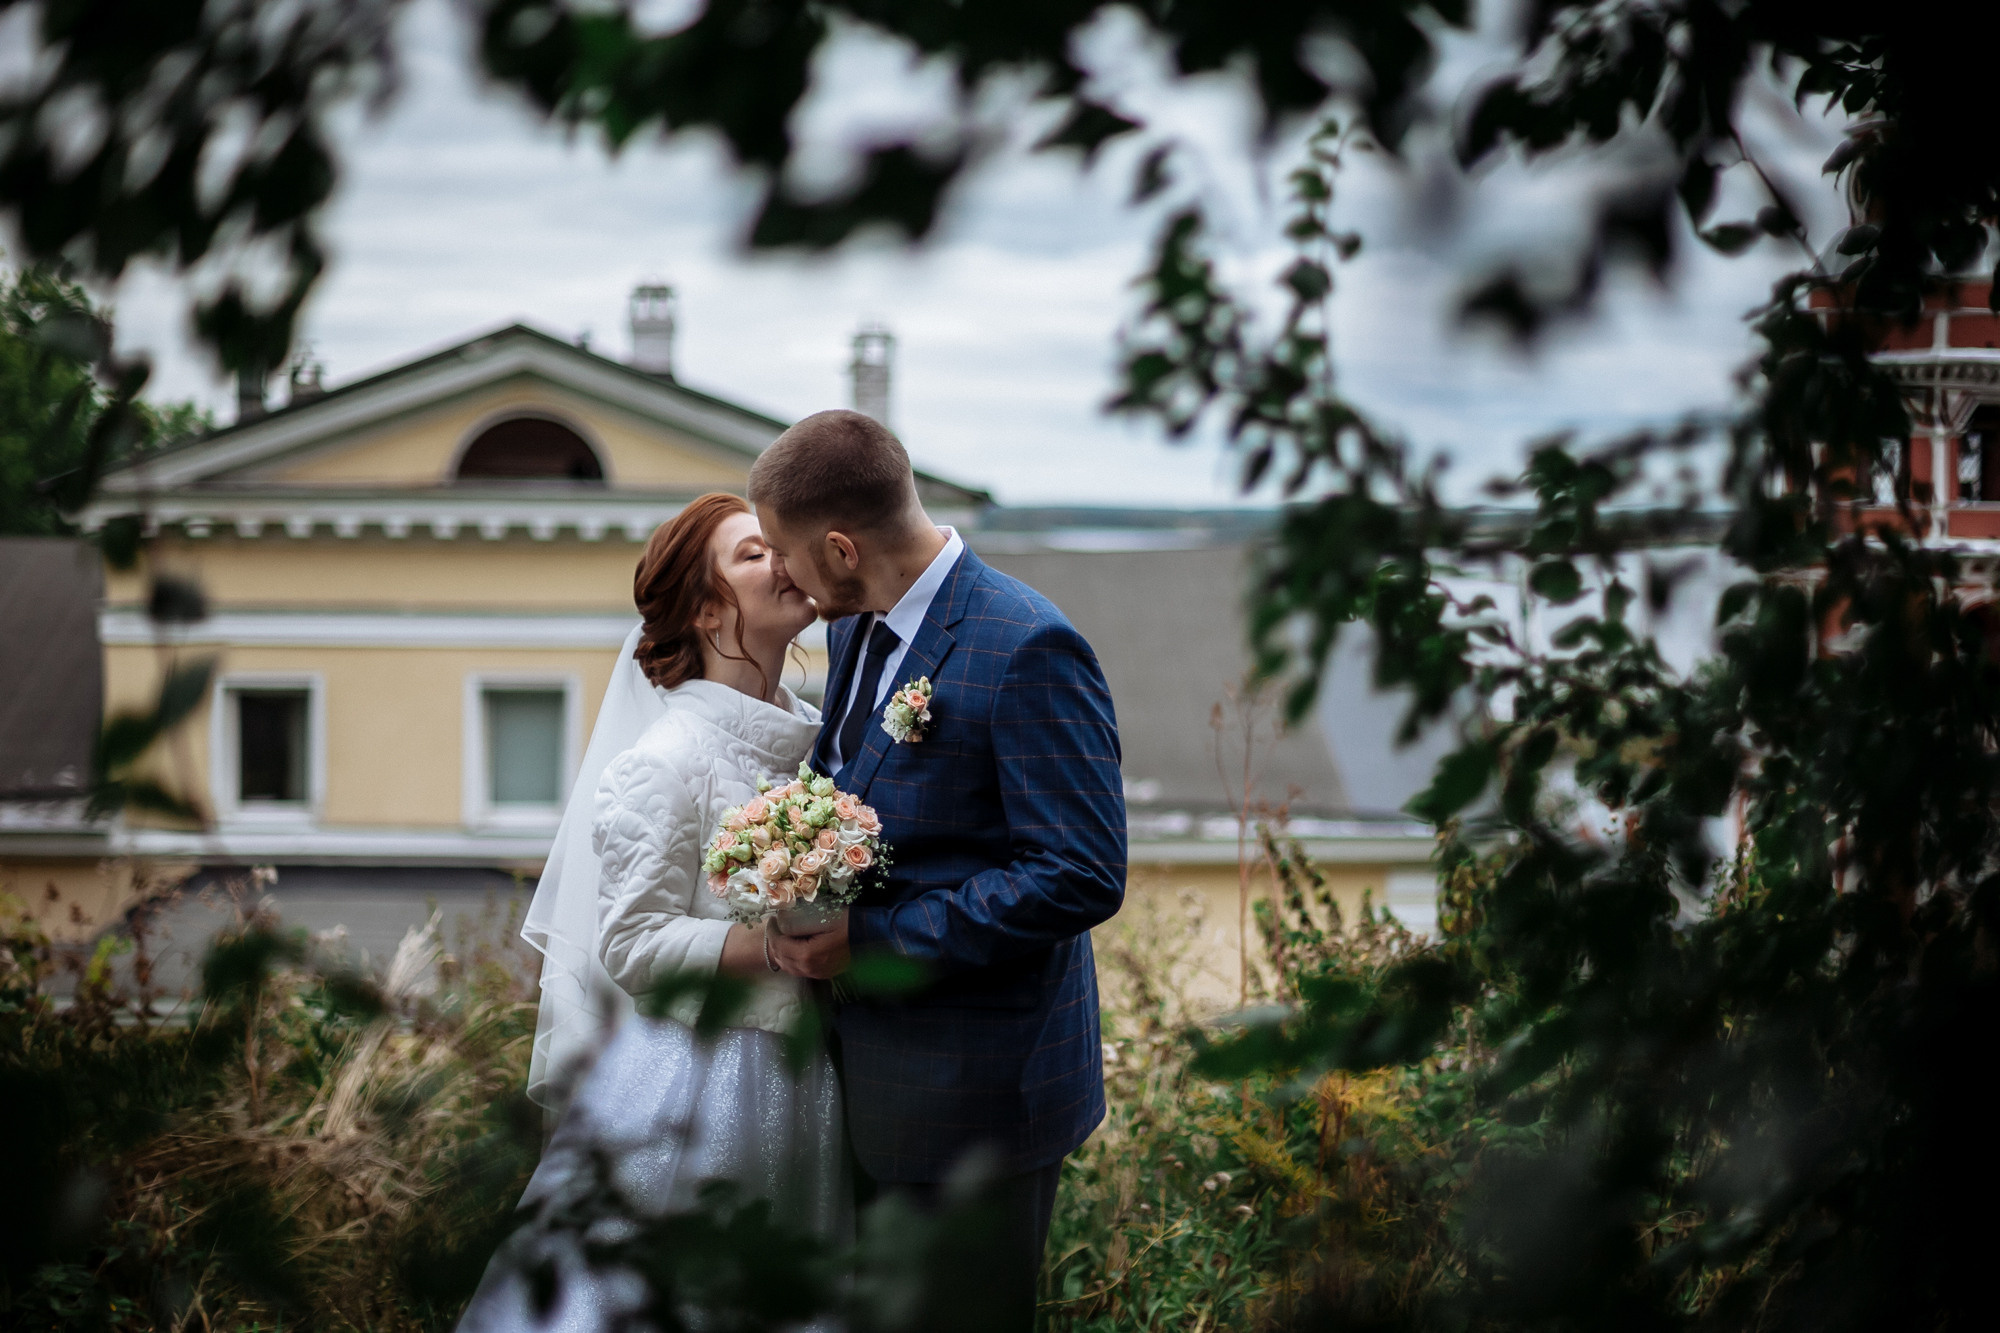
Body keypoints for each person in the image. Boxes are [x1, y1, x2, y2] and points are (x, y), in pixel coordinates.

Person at [753, 410, 1128, 1332]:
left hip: (981, 1099)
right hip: (869, 1083)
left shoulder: (1028, 645)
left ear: (841, 548)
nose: (780, 574)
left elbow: (1080, 871)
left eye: (783, 552)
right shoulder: (853, 632)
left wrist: (873, 938)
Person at [458, 493, 847, 1333]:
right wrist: (776, 946)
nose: (784, 560)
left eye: (780, 544)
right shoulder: (662, 760)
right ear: (709, 609)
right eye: (754, 554)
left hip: (804, 1079)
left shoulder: (817, 744)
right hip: (702, 1085)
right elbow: (632, 943)